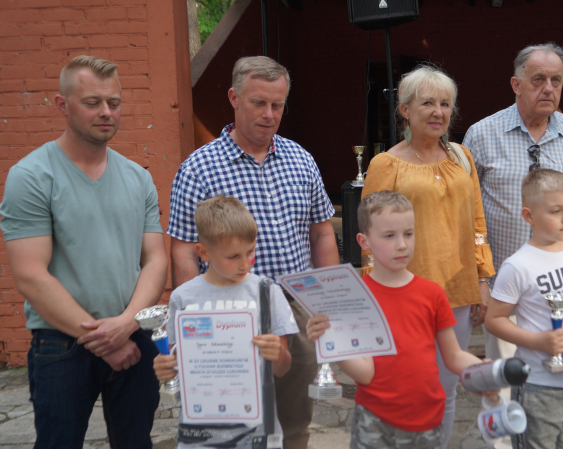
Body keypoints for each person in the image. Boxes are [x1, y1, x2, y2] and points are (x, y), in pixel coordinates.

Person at [167, 56, 338, 449]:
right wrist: (195, 316)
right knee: (230, 416)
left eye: (277, 105)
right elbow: (184, 250)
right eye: (259, 103)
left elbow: (321, 233)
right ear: (234, 98)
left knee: (294, 417)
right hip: (226, 310)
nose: (269, 114)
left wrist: (326, 299)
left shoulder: (301, 159)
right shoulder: (198, 169)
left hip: (294, 309)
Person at [0, 55, 168, 448]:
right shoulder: (32, 176)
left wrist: (126, 324)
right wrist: (105, 339)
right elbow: (30, 275)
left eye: (114, 102)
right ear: (63, 104)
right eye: (93, 102)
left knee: (136, 443)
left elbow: (155, 259)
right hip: (62, 344)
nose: (106, 112)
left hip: (133, 336)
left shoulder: (138, 177)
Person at [360, 64, 495, 448]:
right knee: (403, 386)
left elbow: (477, 223)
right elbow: (370, 235)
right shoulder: (385, 164)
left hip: (457, 290)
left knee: (445, 388)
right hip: (403, 294)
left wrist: (482, 277)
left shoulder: (462, 158)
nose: (438, 112)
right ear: (405, 109)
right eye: (428, 103)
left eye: (445, 104)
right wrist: (372, 293)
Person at [462, 42, 563, 416]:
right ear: (516, 84)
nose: (549, 88)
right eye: (538, 79)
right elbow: (467, 216)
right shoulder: (481, 134)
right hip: (505, 290)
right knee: (505, 385)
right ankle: (506, 438)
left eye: (556, 80)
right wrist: (480, 279)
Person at [309, 190, 494, 449]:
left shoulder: (432, 294)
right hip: (375, 422)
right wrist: (332, 342)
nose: (402, 244)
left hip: (427, 420)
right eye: (389, 236)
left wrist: (482, 371)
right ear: (364, 241)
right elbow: (365, 373)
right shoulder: (356, 297)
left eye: (408, 233)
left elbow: (453, 356)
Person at [153, 196, 298, 447]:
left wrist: (278, 354)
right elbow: (177, 364)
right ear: (204, 252)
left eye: (250, 251)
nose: (245, 264)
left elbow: (283, 368)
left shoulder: (267, 292)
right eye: (233, 256)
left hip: (256, 431)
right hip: (199, 432)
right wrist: (165, 367)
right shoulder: (182, 298)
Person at [484, 169, 563, 449]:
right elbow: (494, 319)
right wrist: (537, 341)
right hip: (539, 384)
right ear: (529, 216)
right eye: (556, 211)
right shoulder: (517, 265)